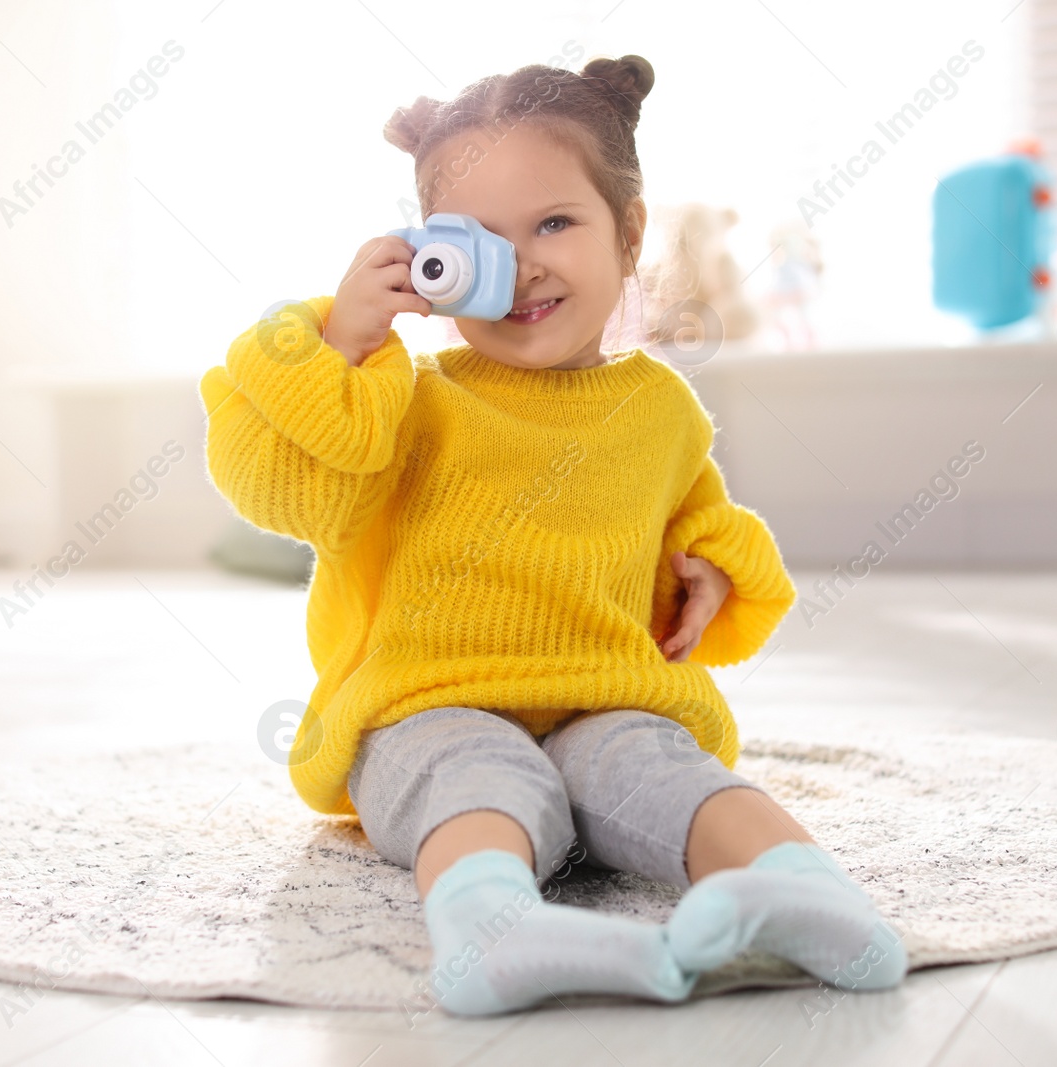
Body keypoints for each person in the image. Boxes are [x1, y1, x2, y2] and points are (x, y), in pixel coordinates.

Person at [199, 53, 906, 1017]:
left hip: (599, 694)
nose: (525, 262)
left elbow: (692, 511)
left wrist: (705, 569)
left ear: (629, 233)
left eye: (556, 224)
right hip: (428, 700)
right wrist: (340, 347)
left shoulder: (660, 405)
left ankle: (809, 894)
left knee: (663, 766)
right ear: (432, 258)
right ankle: (492, 928)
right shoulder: (403, 400)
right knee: (472, 772)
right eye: (481, 239)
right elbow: (290, 492)